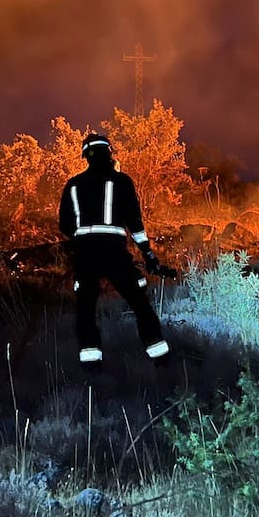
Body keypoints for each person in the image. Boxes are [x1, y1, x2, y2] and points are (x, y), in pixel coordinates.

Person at [59, 133, 172, 363]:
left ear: (85, 156)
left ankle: (92, 368)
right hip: (114, 252)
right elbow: (135, 223)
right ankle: (161, 361)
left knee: (86, 310)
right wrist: (148, 254)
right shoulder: (122, 181)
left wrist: (83, 238)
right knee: (139, 304)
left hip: (85, 254)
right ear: (109, 152)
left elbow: (65, 224)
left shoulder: (73, 185)